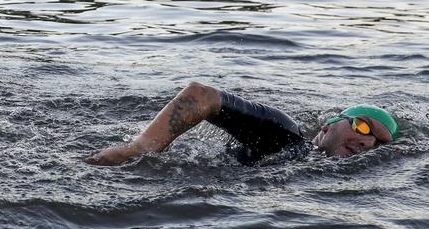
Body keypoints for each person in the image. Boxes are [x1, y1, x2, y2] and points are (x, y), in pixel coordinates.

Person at [86, 81, 398, 166]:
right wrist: (139, 149)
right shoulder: (286, 135)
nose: (366, 141)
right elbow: (201, 96)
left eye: (378, 143)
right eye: (363, 127)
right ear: (328, 125)